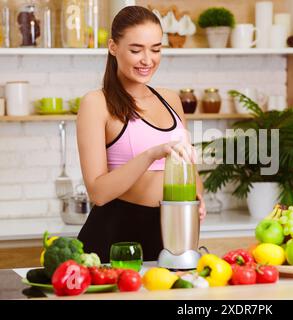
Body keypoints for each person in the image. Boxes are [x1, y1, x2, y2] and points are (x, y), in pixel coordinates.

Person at [76, 6, 206, 262]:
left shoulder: (171, 99)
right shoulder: (97, 103)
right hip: (117, 237)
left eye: (156, 49)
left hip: (170, 234)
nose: (148, 59)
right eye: (136, 50)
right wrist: (151, 154)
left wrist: (198, 198)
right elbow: (98, 192)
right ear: (113, 47)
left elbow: (190, 170)